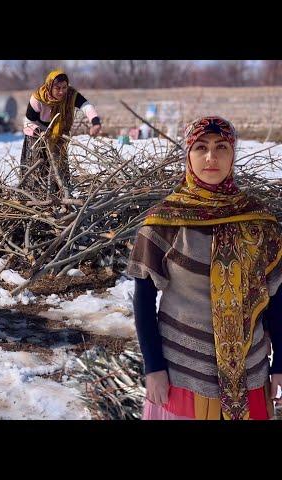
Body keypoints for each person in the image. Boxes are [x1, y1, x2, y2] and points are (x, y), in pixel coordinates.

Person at [127, 116, 282, 420]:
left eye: (221, 147)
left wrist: (281, 364)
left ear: (233, 153)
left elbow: (276, 298)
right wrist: (153, 367)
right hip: (182, 373)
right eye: (201, 147)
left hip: (250, 374)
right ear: (188, 155)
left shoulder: (259, 223)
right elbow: (143, 300)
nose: (211, 157)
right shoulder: (166, 221)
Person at [21, 69, 102, 169]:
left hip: (58, 135)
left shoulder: (70, 95)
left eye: (64, 87)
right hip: (36, 137)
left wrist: (96, 123)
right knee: (38, 170)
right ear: (49, 87)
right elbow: (28, 123)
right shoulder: (38, 99)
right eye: (57, 88)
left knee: (59, 168)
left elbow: (86, 106)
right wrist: (40, 133)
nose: (61, 91)